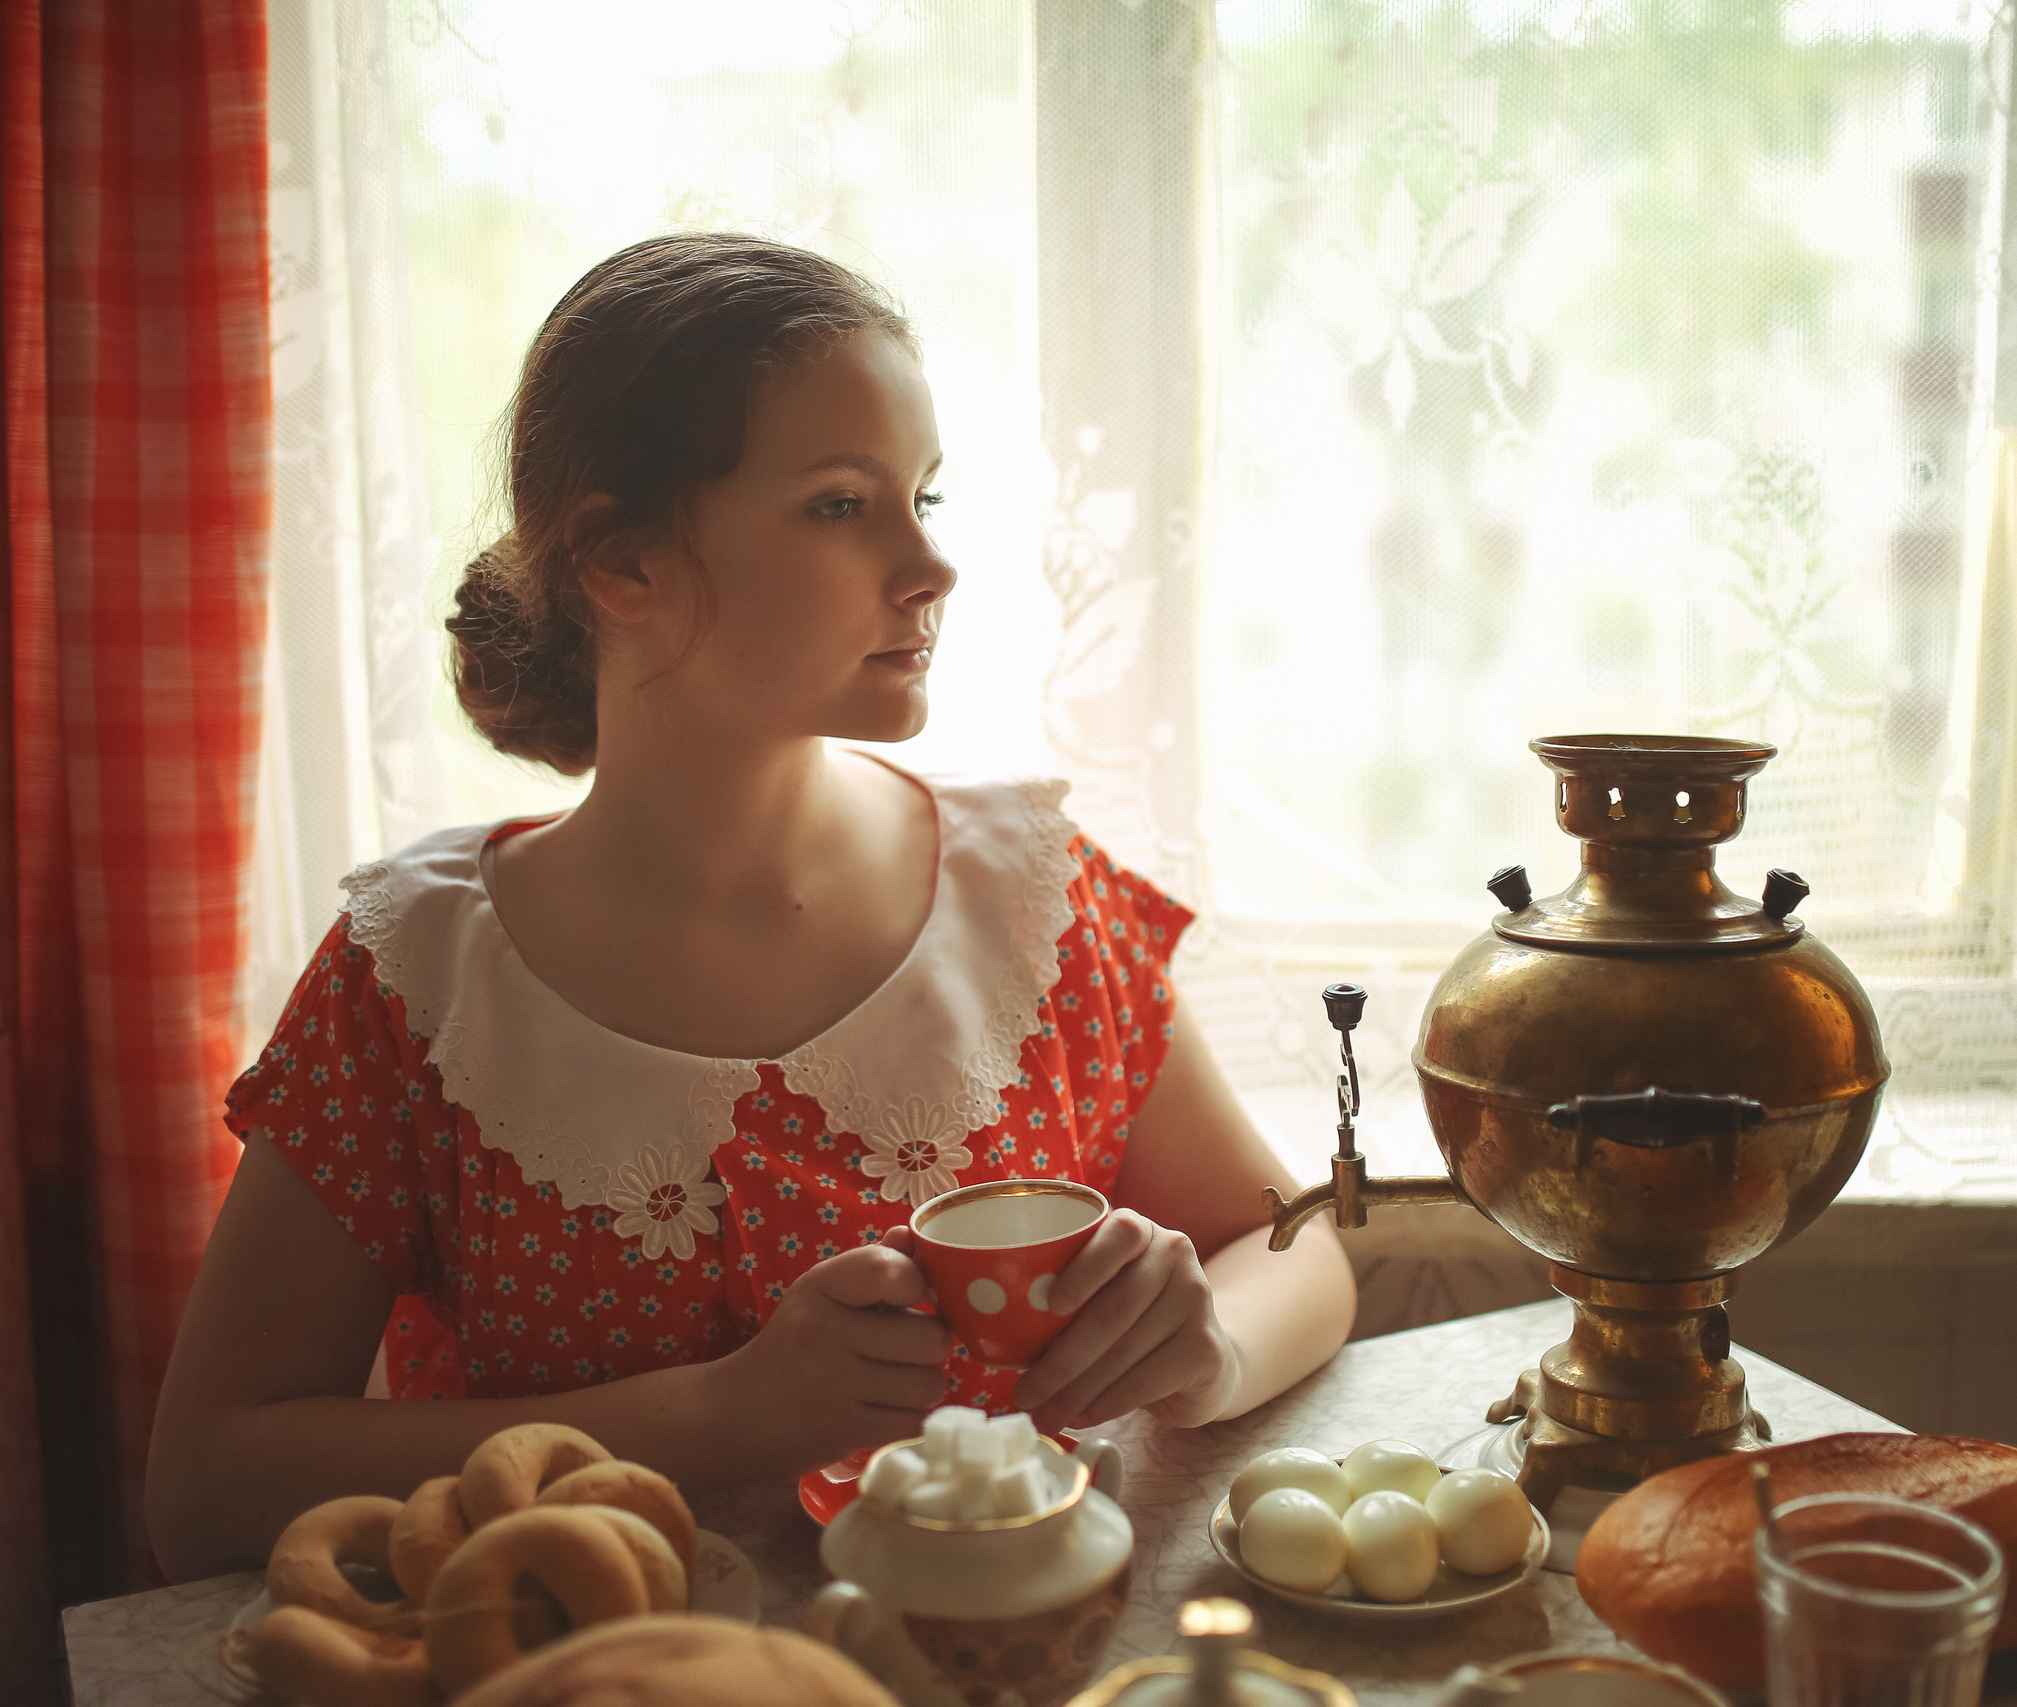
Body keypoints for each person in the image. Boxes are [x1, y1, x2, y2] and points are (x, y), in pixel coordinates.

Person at [145, 234, 1354, 1582]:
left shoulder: (1035, 903)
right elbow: (204, 1483)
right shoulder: (419, 984)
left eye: (925, 499)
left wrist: (1209, 1345)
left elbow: (1291, 1245)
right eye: (842, 506)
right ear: (622, 565)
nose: (929, 568)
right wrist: (719, 1413)